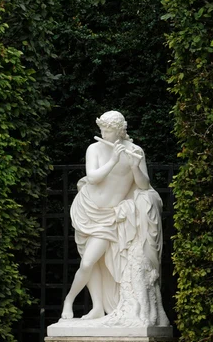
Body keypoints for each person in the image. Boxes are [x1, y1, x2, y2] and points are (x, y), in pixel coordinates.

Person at [61, 111, 169, 327]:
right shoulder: (95, 148)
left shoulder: (136, 151)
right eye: (102, 129)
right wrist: (113, 160)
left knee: (90, 261)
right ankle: (90, 305)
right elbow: (92, 177)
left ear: (120, 130)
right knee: (92, 263)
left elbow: (144, 185)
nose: (104, 133)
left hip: (110, 216)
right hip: (88, 209)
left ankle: (76, 301)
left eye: (108, 130)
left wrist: (134, 166)